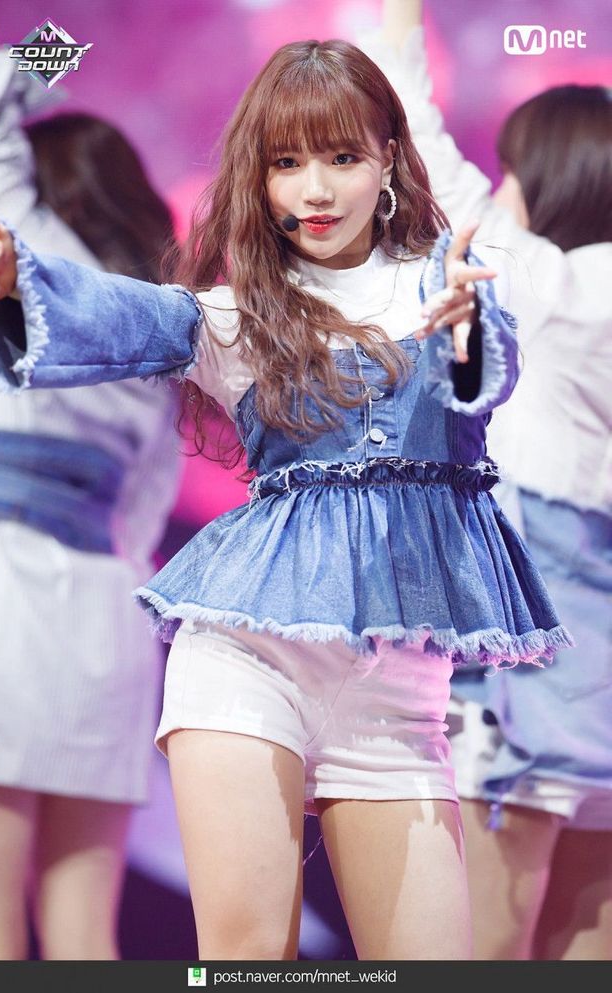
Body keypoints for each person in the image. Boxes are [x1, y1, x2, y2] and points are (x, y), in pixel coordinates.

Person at [0, 31, 573, 962]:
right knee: (246, 961)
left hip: (397, 700)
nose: (315, 190)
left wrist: (467, 337)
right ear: (257, 178)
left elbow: (480, 374)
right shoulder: (232, 314)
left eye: (341, 158)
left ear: (388, 160)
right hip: (241, 666)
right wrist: (17, 281)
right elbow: (124, 313)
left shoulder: (449, 287)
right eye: (286, 164)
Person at [361, 0, 612, 961]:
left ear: (550, 183)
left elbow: (410, 134)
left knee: (477, 952)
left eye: (511, 170)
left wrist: (399, 13)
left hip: (524, 665)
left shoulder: (546, 284)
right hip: (598, 671)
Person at [0, 0, 182, 961]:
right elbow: (144, 513)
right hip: (110, 617)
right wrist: (61, 48)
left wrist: (45, 54)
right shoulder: (150, 322)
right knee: (84, 935)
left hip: (2, 594)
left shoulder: (24, 254)